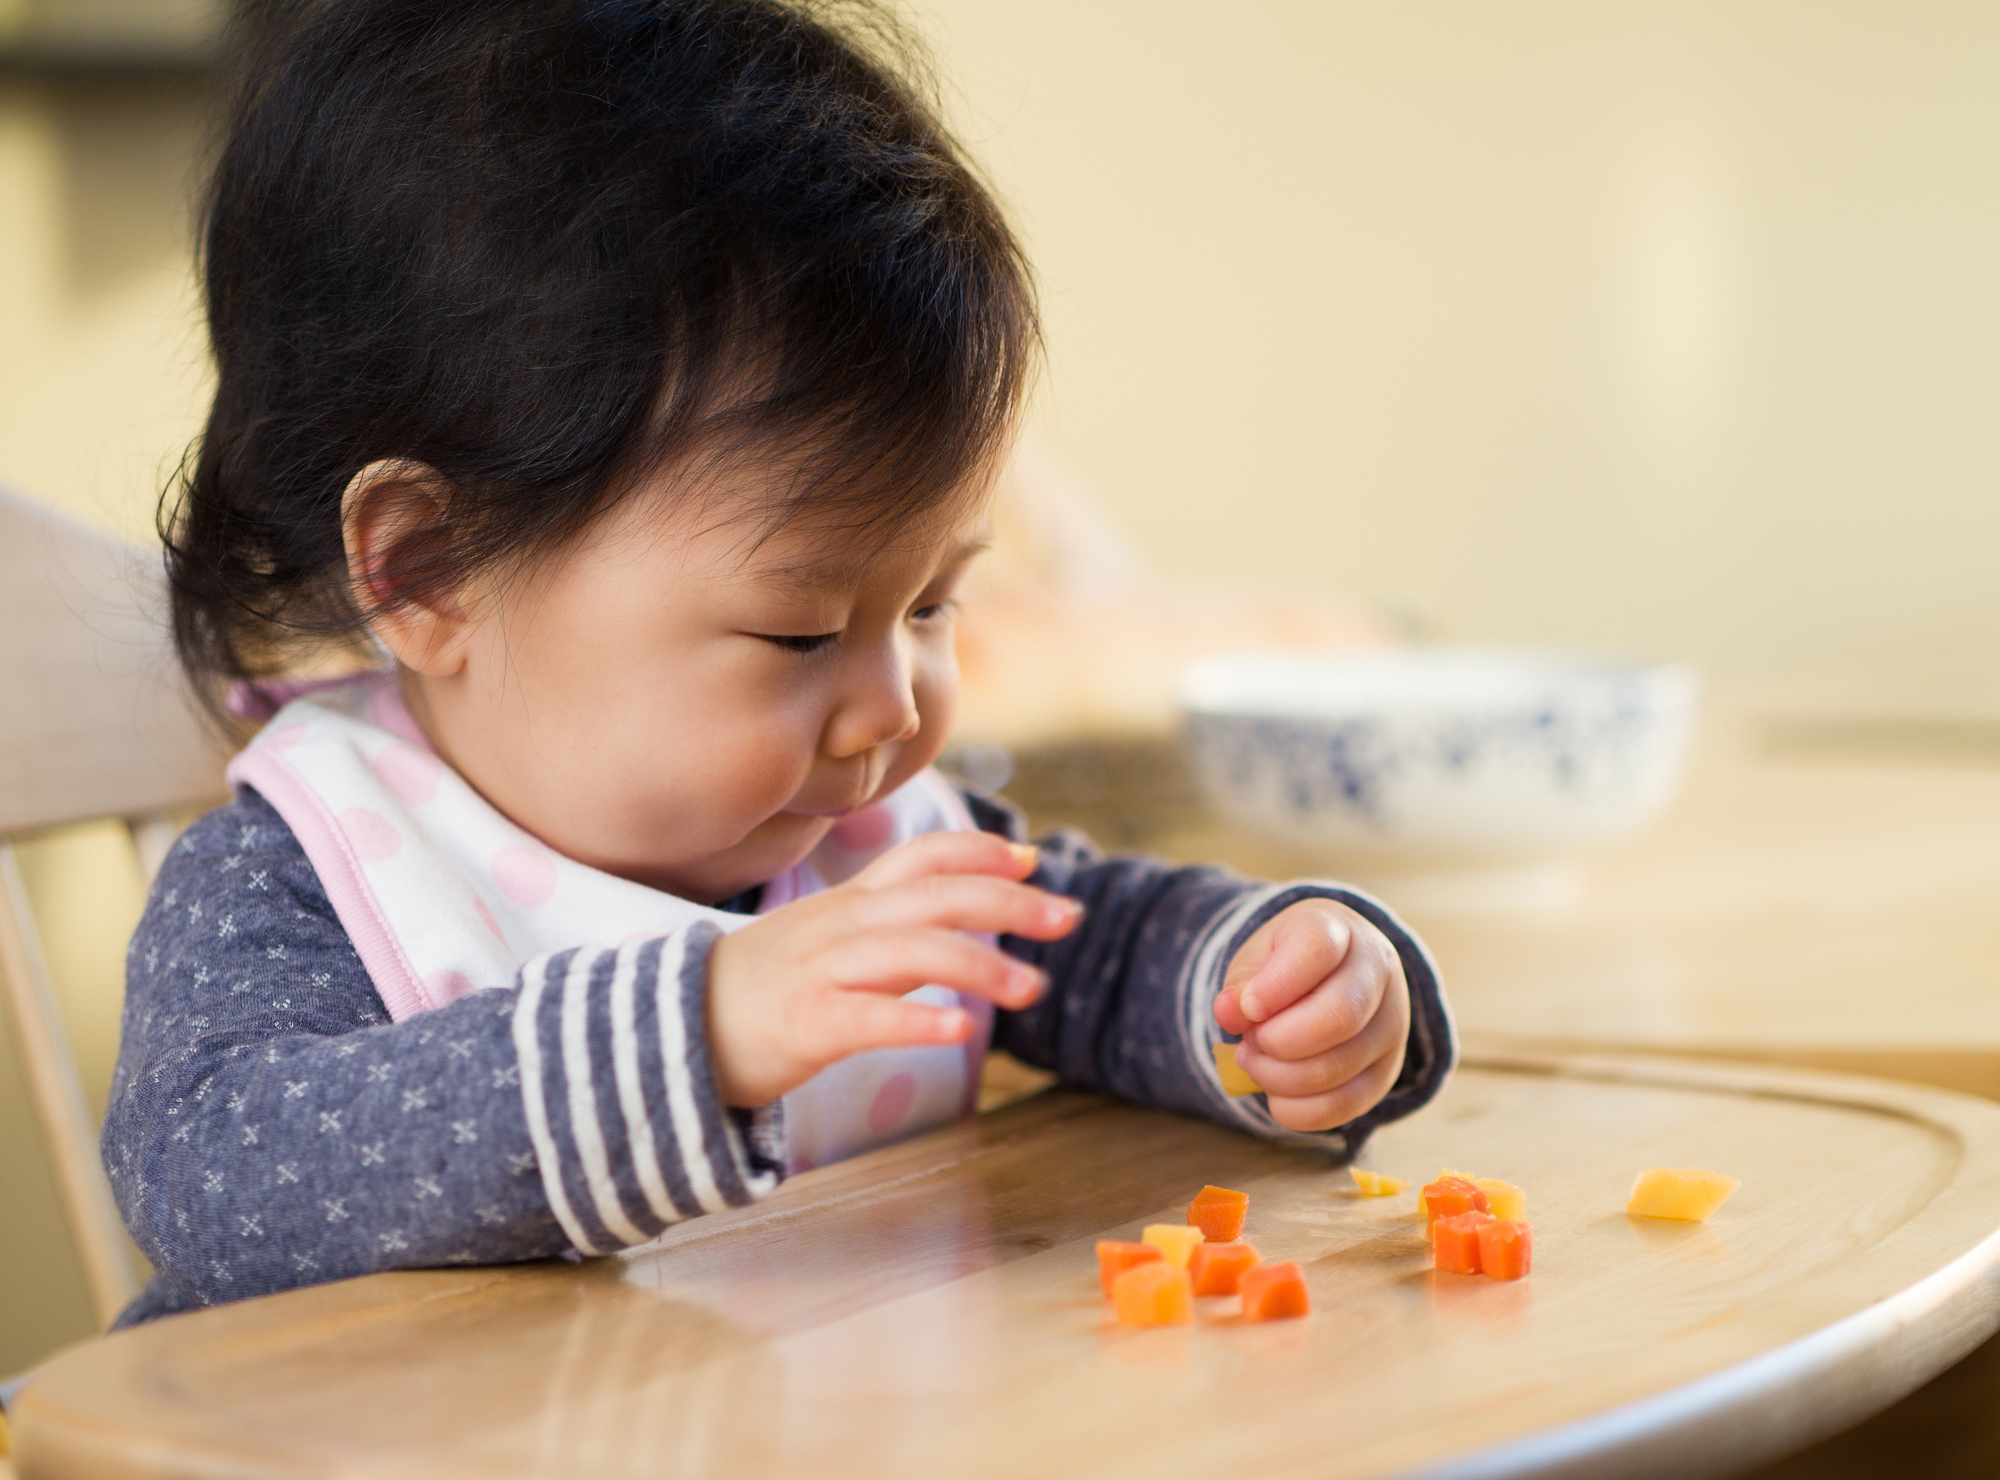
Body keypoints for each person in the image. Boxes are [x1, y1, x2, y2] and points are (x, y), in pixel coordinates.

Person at [105, 0, 1454, 1326]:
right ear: (428, 571)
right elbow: (212, 1175)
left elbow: (1089, 957)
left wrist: (1271, 994)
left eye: (932, 606)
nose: (895, 706)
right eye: (802, 633)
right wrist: (698, 1034)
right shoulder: (309, 875)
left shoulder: (864, 834)